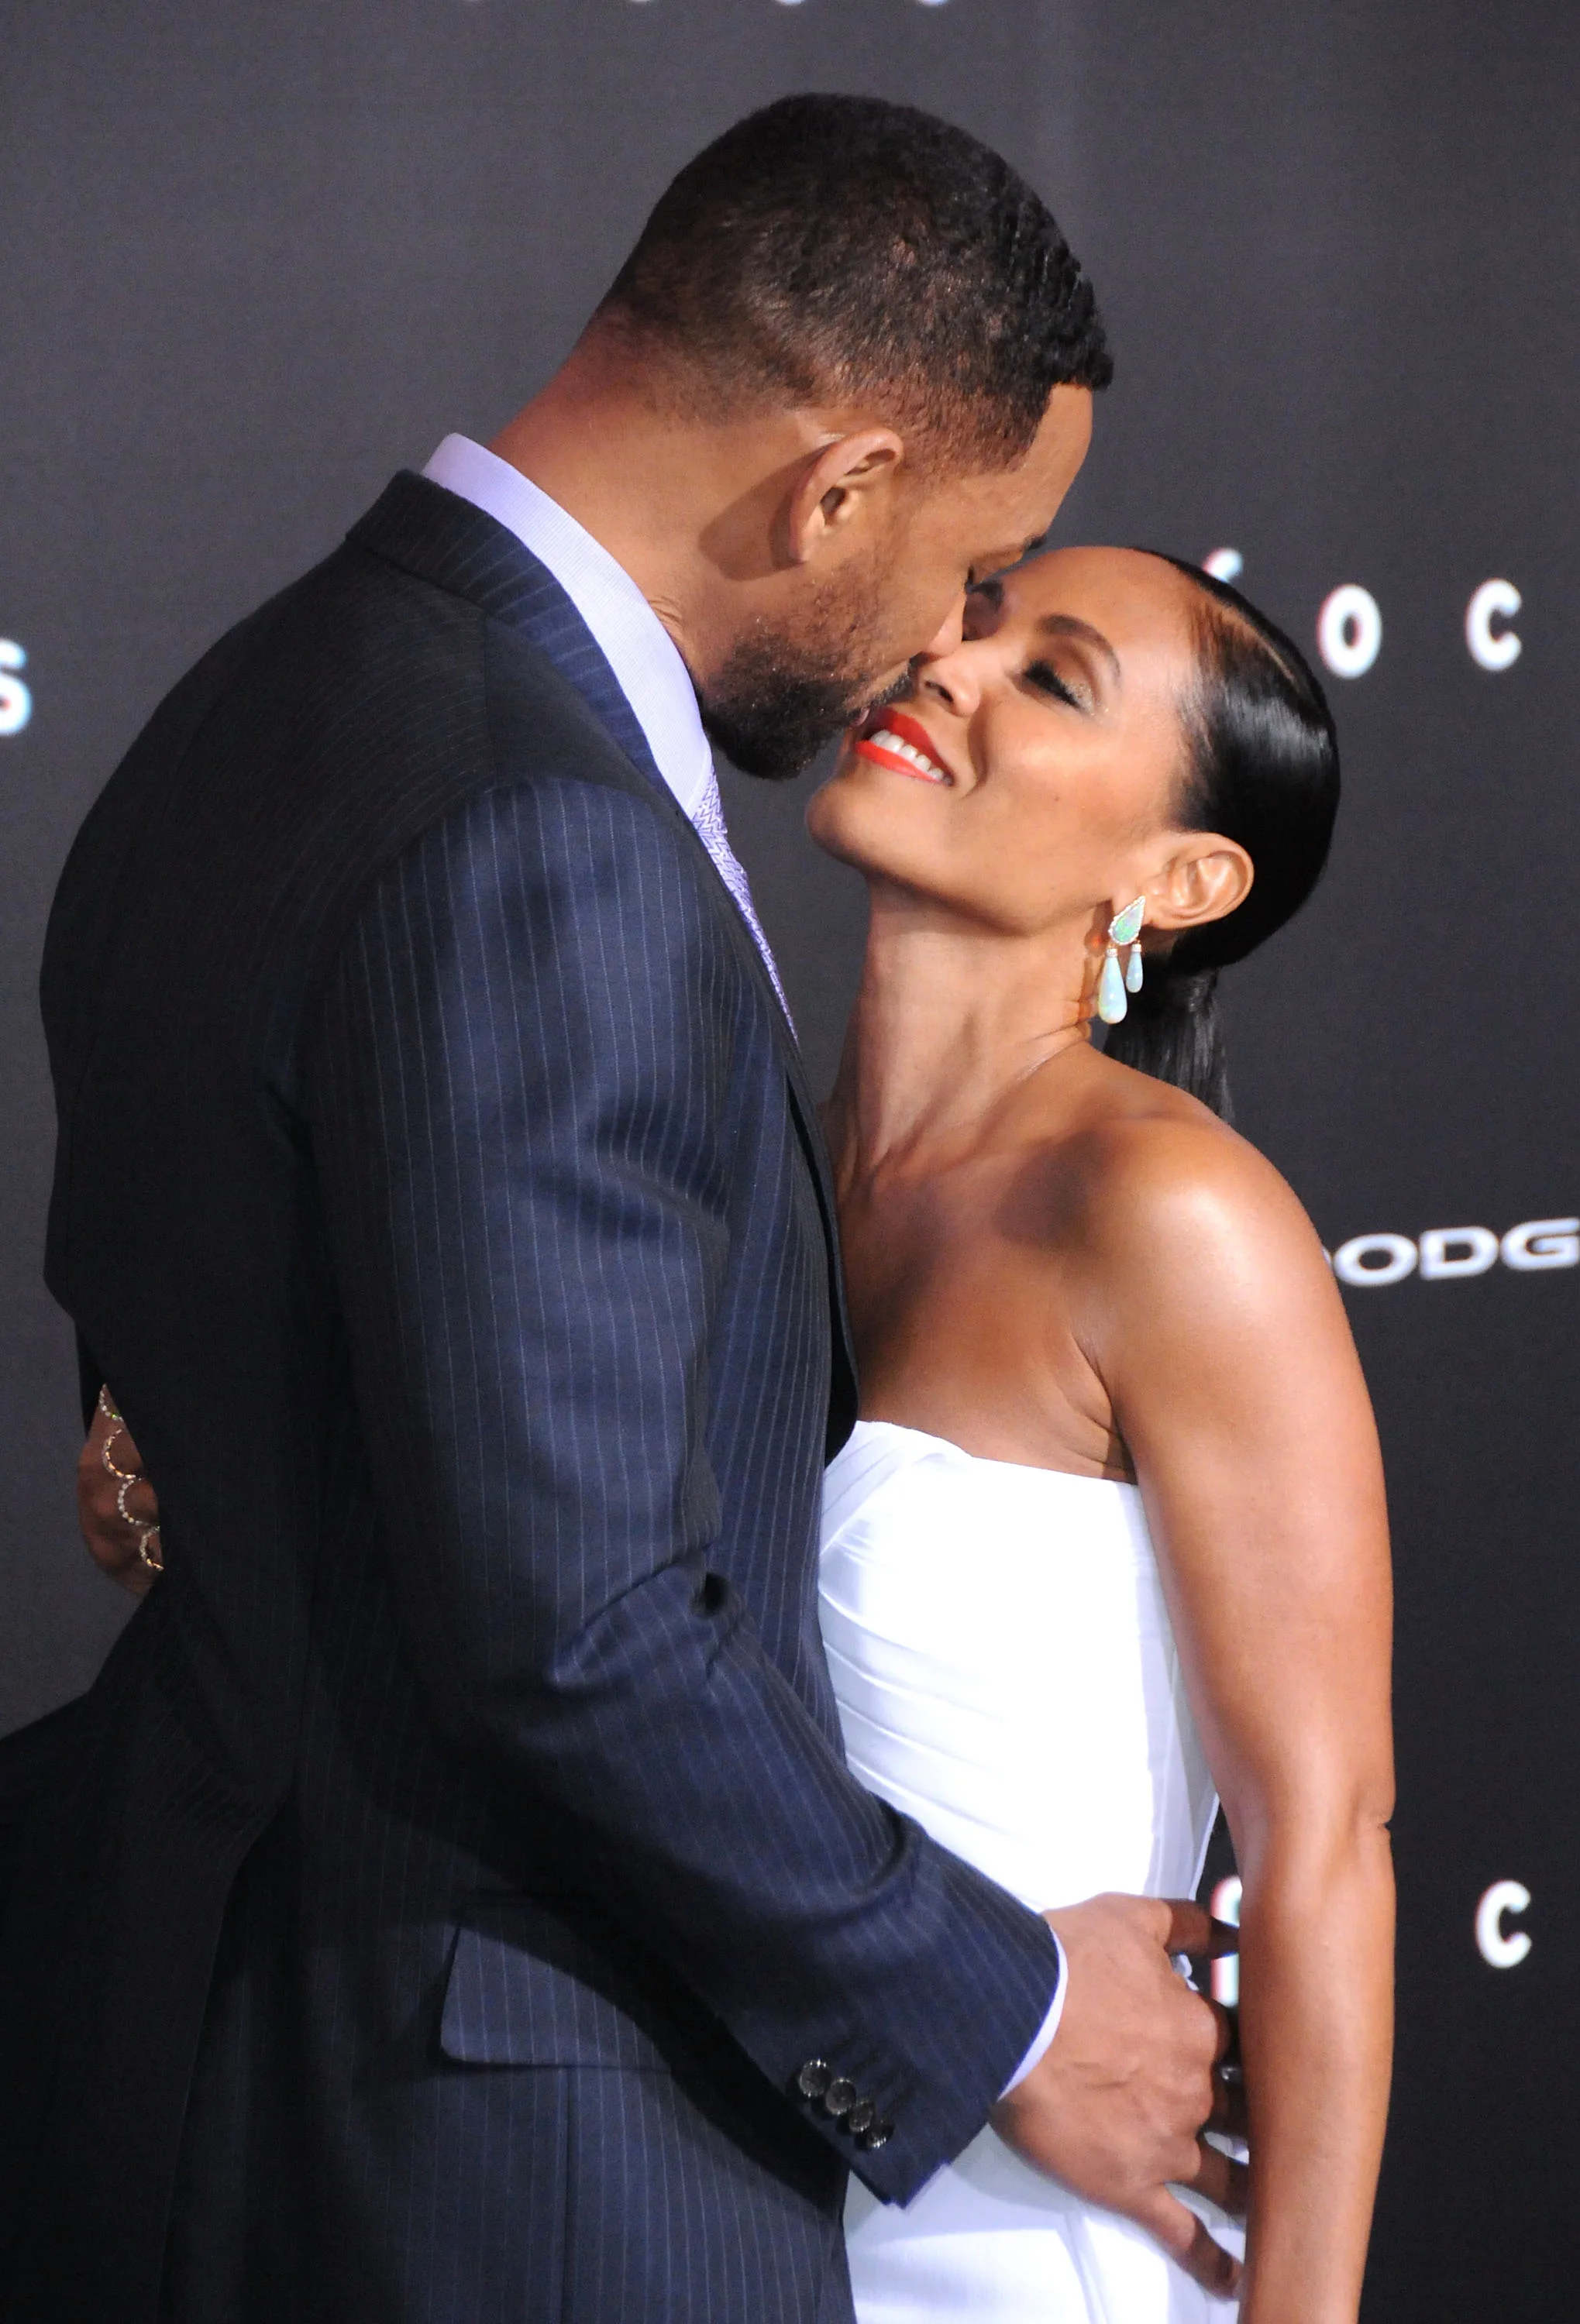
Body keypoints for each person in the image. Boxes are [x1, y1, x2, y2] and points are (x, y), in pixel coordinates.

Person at [2, 98, 1241, 2324]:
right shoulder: (538, 824)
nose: (945, 642)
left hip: (182, 2040)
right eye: (966, 571)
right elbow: (573, 1626)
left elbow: (232, 1298)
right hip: (503, 2144)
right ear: (835, 483)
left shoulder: (254, 698)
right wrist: (1015, 2022)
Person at [809, 545, 1395, 2320]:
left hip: (1025, 2255)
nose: (948, 664)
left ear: (1182, 877)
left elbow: (1323, 1845)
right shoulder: (748, 1160)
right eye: (973, 616)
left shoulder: (1164, 1210)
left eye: (1047, 676)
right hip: (729, 2203)